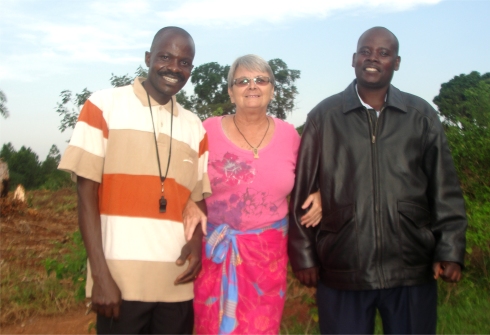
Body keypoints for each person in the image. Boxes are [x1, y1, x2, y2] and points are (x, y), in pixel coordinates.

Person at [288, 27, 467, 334]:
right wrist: (304, 256)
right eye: (366, 51)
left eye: (383, 53)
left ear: (396, 62)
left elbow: (444, 188)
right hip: (344, 269)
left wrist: (450, 249)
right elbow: (302, 192)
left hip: (411, 268)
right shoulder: (324, 117)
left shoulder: (421, 116)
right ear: (354, 59)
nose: (373, 58)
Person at [58, 26, 210, 334]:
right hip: (119, 282)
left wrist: (195, 245)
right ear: (147, 58)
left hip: (176, 283)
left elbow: (197, 202)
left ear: (191, 70)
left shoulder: (195, 127)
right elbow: (85, 195)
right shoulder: (103, 105)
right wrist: (100, 277)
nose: (174, 68)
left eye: (184, 62)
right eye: (165, 57)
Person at [188, 54, 322, 334]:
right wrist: (189, 200)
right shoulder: (207, 130)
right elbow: (184, 174)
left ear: (272, 89)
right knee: (209, 326)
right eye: (243, 81)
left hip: (267, 258)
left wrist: (319, 193)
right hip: (215, 251)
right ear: (230, 90)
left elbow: (311, 177)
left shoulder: (290, 136)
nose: (252, 86)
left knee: (260, 327)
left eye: (261, 80)